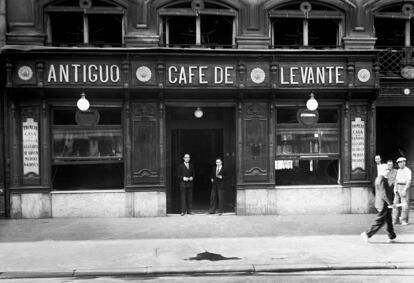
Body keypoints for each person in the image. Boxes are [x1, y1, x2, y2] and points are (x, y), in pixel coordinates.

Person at [361, 172, 397, 243]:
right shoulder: (381, 179)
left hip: (384, 203)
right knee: (380, 220)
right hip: (383, 203)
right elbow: (384, 193)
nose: (388, 172)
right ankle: (367, 234)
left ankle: (391, 236)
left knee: (388, 220)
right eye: (386, 171)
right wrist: (391, 203)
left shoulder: (380, 178)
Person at [393, 157, 412, 225]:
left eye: (401, 162)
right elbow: (396, 180)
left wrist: (405, 189)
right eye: (398, 163)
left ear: (404, 162)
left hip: (404, 187)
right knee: (395, 204)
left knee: (404, 205)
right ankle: (395, 220)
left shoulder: (408, 171)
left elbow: (409, 181)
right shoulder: (398, 171)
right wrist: (395, 188)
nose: (400, 164)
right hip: (398, 186)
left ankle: (404, 220)